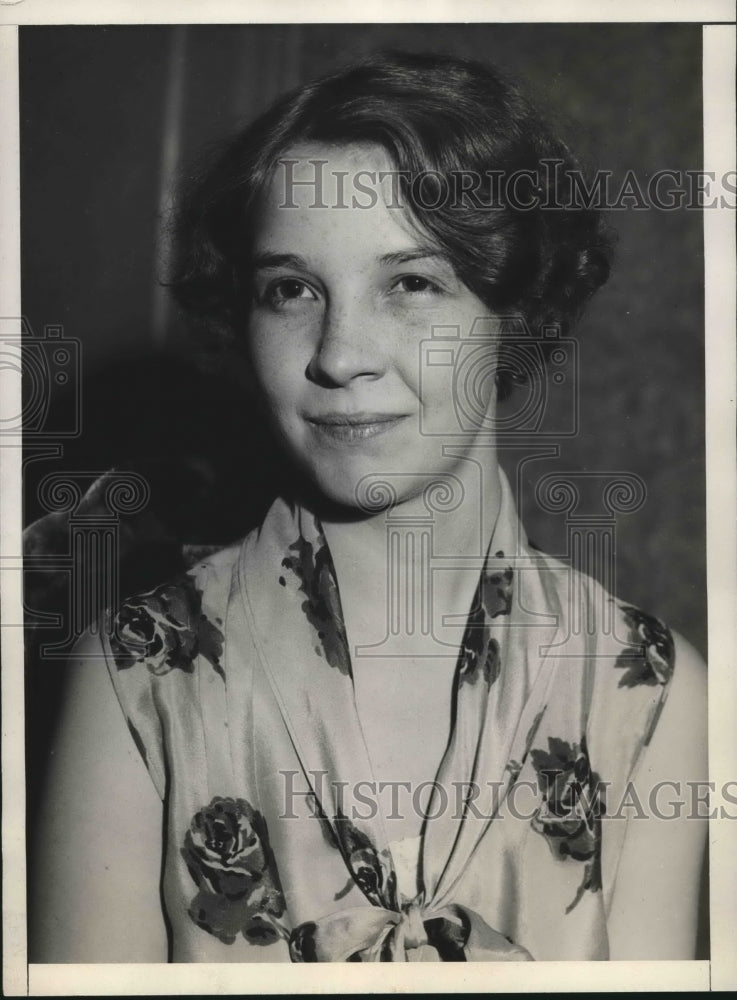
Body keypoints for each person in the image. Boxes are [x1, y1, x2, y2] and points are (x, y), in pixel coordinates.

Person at [30, 51, 707, 963]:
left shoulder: (651, 691)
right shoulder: (136, 675)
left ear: (514, 310)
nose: (341, 354)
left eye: (411, 284)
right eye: (292, 290)